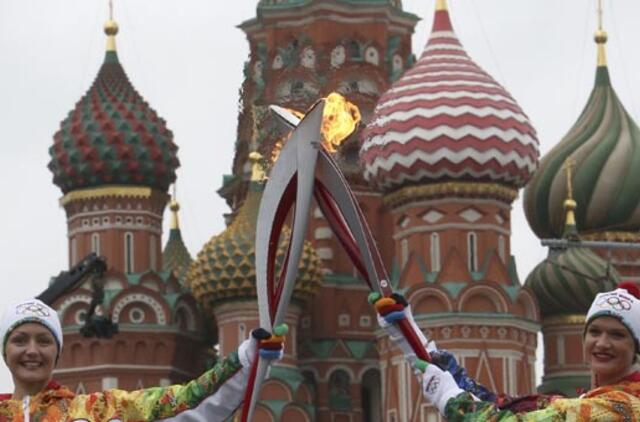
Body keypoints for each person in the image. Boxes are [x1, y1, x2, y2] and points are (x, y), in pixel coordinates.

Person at [373, 282, 640, 420]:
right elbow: (504, 407)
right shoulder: (588, 401)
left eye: (617, 335)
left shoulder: (624, 407)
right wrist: (410, 338)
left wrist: (449, 398)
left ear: (636, 347)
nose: (602, 343)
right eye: (595, 332)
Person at [0, 298, 285, 421]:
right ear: (5, 351)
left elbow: (188, 401)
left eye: (44, 341)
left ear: (57, 352)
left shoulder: (100, 412)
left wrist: (247, 357)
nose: (32, 350)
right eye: (20, 340)